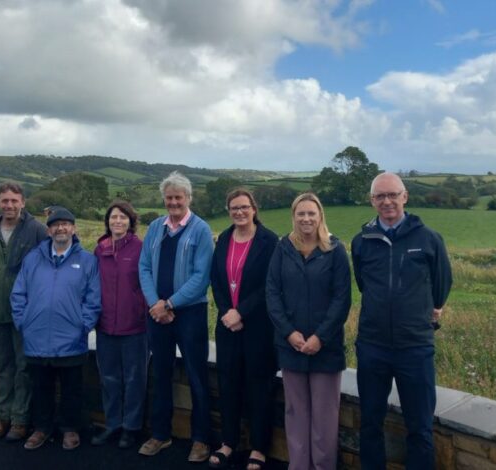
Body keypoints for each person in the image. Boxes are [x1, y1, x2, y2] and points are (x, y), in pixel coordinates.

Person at [351, 172, 452, 469]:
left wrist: (433, 309)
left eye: (393, 194)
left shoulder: (429, 239)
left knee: (419, 427)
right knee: (370, 423)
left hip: (415, 346)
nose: (387, 201)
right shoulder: (361, 242)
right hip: (372, 346)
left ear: (405, 196)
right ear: (372, 201)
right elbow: (362, 283)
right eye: (380, 196)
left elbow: (442, 283)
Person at [266, 192, 351, 470]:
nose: (306, 218)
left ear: (320, 216)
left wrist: (320, 337)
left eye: (311, 213)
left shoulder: (335, 250)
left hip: (325, 348)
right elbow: (272, 293)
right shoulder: (282, 248)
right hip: (290, 345)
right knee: (295, 412)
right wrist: (289, 333)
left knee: (325, 416)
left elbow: (342, 299)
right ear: (293, 216)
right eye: (301, 213)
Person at [10, 207, 101, 451]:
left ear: (74, 228)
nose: (61, 228)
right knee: (41, 388)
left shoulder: (88, 261)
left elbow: (93, 300)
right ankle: (42, 428)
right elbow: (18, 293)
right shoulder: (33, 258)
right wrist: (23, 323)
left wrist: (83, 326)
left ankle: (70, 429)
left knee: (72, 389)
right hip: (36, 337)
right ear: (48, 230)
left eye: (66, 224)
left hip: (72, 339)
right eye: (55, 224)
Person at [137, 171, 214, 463]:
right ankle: (160, 434)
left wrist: (169, 303)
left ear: (188, 198)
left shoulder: (201, 230)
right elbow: (144, 267)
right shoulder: (156, 227)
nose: (173, 202)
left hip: (190, 314)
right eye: (169, 198)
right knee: (161, 374)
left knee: (197, 377)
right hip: (157, 314)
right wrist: (155, 304)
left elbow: (201, 276)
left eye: (178, 197)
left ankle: (201, 439)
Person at [209, 189, 279, 470]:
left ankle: (260, 448)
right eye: (234, 208)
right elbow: (216, 278)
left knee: (259, 387)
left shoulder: (269, 241)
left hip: (258, 328)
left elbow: (269, 285)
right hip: (228, 326)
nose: (239, 212)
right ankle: (228, 442)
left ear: (254, 208)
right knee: (228, 385)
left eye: (244, 207)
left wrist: (242, 312)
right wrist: (227, 311)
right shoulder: (224, 238)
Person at [0, 182, 46, 442]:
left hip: (25, 312)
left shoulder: (37, 230)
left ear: (23, 203)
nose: (9, 205)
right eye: (4, 200)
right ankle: (2, 417)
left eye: (14, 201)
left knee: (23, 367)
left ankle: (20, 420)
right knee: (2, 367)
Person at [90, 201, 149, 449]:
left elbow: (147, 283)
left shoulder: (140, 248)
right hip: (105, 327)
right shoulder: (99, 249)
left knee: (135, 379)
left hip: (134, 326)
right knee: (109, 379)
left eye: (123, 218)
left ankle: (131, 428)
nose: (118, 221)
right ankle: (113, 425)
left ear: (130, 222)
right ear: (108, 221)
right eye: (114, 217)